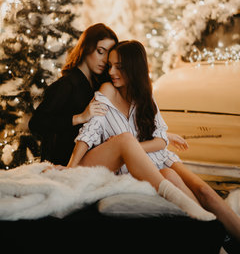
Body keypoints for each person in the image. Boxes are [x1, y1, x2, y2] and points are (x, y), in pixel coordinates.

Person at [66, 40, 240, 240]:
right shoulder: (107, 90)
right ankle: (208, 229)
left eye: (119, 67)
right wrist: (70, 167)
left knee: (204, 191)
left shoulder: (145, 96)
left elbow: (160, 140)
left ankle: (214, 235)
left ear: (133, 69)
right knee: (129, 143)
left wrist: (133, 149)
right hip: (115, 162)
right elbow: (90, 131)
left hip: (155, 158)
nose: (112, 72)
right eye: (110, 66)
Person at [28, 23, 118, 165]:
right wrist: (79, 117)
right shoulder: (67, 84)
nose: (105, 59)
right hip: (62, 162)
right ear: (86, 47)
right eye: (101, 51)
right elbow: (36, 123)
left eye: (109, 53)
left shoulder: (96, 85)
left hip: (86, 160)